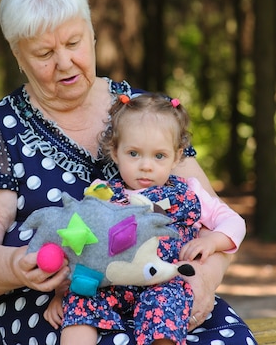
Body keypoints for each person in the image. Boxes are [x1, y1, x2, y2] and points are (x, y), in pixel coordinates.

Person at [0, 0, 256, 345]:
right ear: (18, 56)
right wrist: (16, 266)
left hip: (162, 293)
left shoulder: (145, 112)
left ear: (92, 35)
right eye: (44, 54)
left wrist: (203, 282)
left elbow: (211, 216)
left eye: (74, 43)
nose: (65, 62)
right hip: (54, 310)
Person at [43, 93, 246, 345]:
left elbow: (234, 221)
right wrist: (59, 293)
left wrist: (214, 241)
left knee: (166, 308)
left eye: (159, 156)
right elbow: (77, 245)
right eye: (134, 153)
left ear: (177, 155)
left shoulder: (189, 191)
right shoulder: (101, 194)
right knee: (80, 305)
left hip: (162, 282)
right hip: (110, 283)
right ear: (115, 152)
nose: (146, 166)